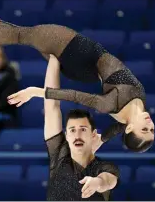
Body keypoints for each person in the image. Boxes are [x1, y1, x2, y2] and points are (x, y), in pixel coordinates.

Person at [0, 0, 154, 152]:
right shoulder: (136, 108)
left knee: (20, 35)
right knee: (20, 33)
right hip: (85, 65)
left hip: (76, 52)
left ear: (130, 128)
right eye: (152, 130)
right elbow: (117, 129)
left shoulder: (112, 105)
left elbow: (74, 96)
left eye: (145, 130)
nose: (149, 124)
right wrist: (102, 140)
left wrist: (36, 92)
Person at [40, 55, 119, 200]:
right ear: (67, 136)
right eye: (72, 130)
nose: (77, 135)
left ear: (93, 134)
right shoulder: (59, 156)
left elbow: (108, 180)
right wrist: (54, 57)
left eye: (83, 129)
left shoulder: (103, 167)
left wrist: (98, 182)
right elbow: (51, 107)